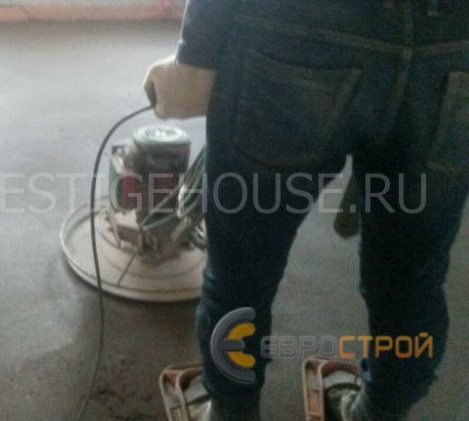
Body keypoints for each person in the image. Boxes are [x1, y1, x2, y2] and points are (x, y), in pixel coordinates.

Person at [143, 1, 469, 420]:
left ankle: (230, 413)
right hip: (455, 47)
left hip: (295, 37)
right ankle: (377, 413)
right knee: (413, 278)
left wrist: (194, 57)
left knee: (242, 268)